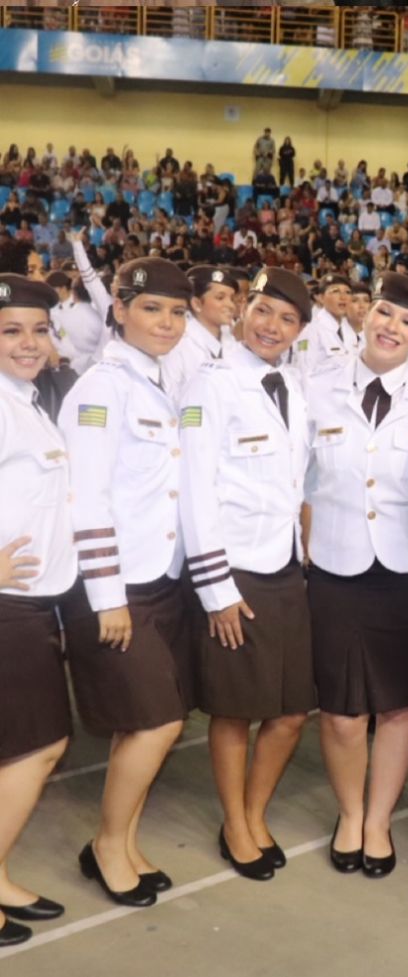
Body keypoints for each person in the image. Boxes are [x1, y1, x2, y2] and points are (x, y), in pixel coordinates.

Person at [58, 258, 195, 908]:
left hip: (161, 577)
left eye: (176, 311)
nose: (166, 322)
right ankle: (107, 845)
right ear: (119, 308)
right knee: (158, 721)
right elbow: (86, 497)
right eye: (151, 309)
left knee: (140, 723)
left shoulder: (158, 379)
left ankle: (126, 838)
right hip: (118, 588)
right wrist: (107, 594)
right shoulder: (101, 388)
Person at [178, 269, 316, 882]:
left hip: (285, 566)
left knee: (290, 711)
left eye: (286, 319)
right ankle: (235, 821)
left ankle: (256, 810)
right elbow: (194, 491)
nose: (271, 326)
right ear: (241, 311)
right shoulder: (211, 384)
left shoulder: (293, 382)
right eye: (262, 310)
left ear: (301, 332)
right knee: (235, 710)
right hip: (234, 572)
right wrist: (216, 591)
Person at [304, 273, 408, 879]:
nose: (392, 327)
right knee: (339, 710)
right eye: (384, 312)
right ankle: (350, 812)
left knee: (400, 706)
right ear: (366, 314)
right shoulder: (316, 384)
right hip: (333, 562)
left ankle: (379, 818)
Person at [0, 275, 74, 947]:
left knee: (17, 746)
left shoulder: (26, 398)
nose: (28, 342)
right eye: (11, 330)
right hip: (8, 605)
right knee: (40, 742)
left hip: (34, 599)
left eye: (38, 329)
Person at [162, 265, 237, 396]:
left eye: (231, 298)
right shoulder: (178, 343)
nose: (230, 305)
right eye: (220, 298)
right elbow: (168, 398)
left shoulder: (230, 337)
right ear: (196, 304)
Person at [294, 273, 356, 378]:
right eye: (335, 291)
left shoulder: (349, 330)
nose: (343, 297)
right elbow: (305, 372)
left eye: (348, 292)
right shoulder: (311, 330)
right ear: (321, 298)